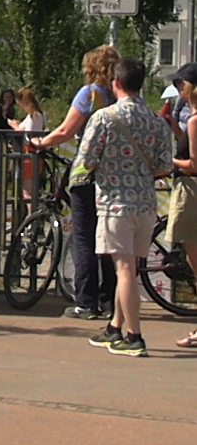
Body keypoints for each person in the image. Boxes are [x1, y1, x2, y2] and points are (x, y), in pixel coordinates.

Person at [76, 57, 171, 357]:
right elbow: (164, 165)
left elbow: (86, 160)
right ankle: (114, 327)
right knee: (129, 268)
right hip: (146, 204)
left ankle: (134, 336)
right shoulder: (155, 120)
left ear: (116, 82)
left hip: (114, 203)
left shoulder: (104, 118)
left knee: (124, 269)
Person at [31, 44, 121, 320]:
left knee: (84, 237)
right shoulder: (118, 95)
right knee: (107, 238)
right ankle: (109, 301)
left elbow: (65, 130)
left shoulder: (90, 93)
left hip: (87, 172)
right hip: (113, 174)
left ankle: (86, 301)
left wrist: (40, 143)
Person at [169, 65, 197, 348]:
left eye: (181, 84)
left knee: (196, 261)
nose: (178, 89)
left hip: (191, 190)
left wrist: (169, 162)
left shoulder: (195, 120)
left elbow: (193, 164)